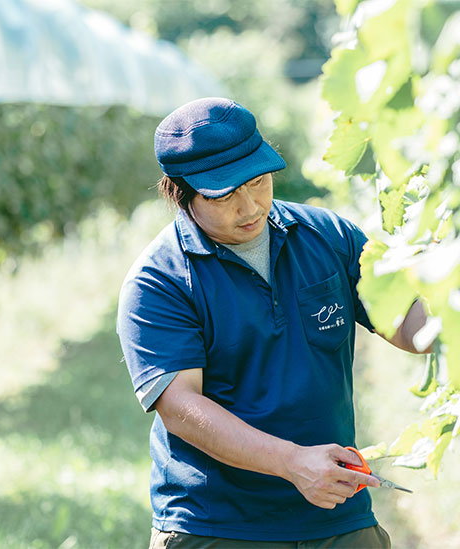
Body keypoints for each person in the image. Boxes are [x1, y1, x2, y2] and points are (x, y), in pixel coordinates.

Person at [116, 97, 431, 548]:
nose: (249, 207)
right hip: (217, 524)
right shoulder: (160, 280)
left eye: (258, 182)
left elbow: (408, 324)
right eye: (225, 195)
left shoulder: (328, 236)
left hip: (336, 510)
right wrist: (293, 463)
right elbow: (182, 408)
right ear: (180, 193)